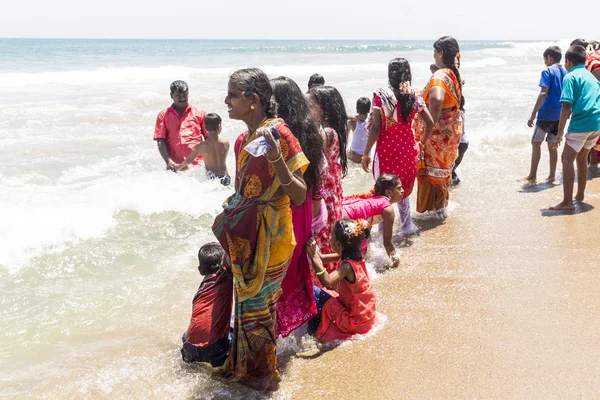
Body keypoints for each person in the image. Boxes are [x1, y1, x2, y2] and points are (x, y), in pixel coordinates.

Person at [212, 67, 309, 392]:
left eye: (233, 95)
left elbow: (299, 193)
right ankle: (245, 372)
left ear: (253, 100)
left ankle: (264, 380)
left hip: (272, 237)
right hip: (245, 239)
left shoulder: (279, 134)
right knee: (247, 306)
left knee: (259, 310)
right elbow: (243, 190)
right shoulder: (243, 139)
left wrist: (277, 160)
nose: (226, 100)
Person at [271, 76, 323, 338]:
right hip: (303, 208)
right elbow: (316, 177)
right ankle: (297, 322)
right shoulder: (310, 132)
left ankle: (281, 330)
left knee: (280, 268)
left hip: (286, 206)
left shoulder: (278, 135)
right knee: (296, 264)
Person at [362, 58, 434, 234]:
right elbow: (430, 123)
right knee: (403, 191)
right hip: (408, 150)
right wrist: (420, 144)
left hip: (387, 151)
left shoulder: (382, 96)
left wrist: (366, 154)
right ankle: (406, 228)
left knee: (383, 194)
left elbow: (377, 128)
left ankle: (381, 234)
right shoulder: (414, 95)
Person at [414, 36, 465, 216]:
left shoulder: (440, 75)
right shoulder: (452, 73)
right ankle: (440, 209)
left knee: (430, 174)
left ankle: (428, 214)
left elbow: (436, 100)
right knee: (442, 173)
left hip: (436, 137)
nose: (433, 55)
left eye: (435, 52)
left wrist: (430, 126)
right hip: (449, 134)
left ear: (441, 53)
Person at [305, 219, 377, 342]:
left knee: (312, 291)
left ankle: (314, 333)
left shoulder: (347, 266)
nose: (329, 236)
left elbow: (327, 281)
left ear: (338, 245)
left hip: (355, 321)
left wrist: (313, 256)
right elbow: (321, 258)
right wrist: (315, 252)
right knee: (326, 294)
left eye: (332, 234)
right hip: (366, 316)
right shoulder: (352, 255)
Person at [549, 45, 600, 211]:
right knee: (582, 157)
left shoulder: (570, 77)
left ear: (568, 62)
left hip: (582, 122)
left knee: (567, 158)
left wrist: (559, 133)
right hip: (597, 123)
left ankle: (567, 202)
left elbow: (566, 106)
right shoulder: (591, 77)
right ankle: (579, 195)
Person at [309, 85, 348, 274]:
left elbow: (313, 161)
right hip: (333, 188)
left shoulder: (324, 133)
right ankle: (333, 271)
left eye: (311, 103)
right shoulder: (334, 129)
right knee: (330, 230)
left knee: (322, 232)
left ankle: (325, 275)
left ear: (322, 108)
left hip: (325, 189)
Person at [181, 243, 233, 367]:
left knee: (186, 336)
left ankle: (188, 362)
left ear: (200, 271)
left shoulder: (201, 290)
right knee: (233, 333)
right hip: (214, 349)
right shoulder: (226, 277)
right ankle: (219, 364)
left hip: (190, 347)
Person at [522, 46, 567, 185]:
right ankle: (552, 176)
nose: (544, 62)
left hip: (545, 114)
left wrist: (533, 114)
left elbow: (543, 92)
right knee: (553, 146)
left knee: (536, 143)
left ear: (549, 58)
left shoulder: (547, 71)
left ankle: (532, 175)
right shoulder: (566, 71)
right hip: (559, 116)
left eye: (544, 59)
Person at [342, 174, 403, 266]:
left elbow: (367, 230)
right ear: (388, 192)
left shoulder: (373, 200)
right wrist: (396, 262)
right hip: (346, 216)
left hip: (341, 210)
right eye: (399, 188)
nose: (402, 191)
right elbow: (387, 243)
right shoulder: (388, 209)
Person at [154, 80, 207, 171]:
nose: (182, 98)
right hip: (175, 166)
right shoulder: (163, 115)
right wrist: (168, 161)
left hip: (198, 165)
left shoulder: (200, 113)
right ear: (171, 96)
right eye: (178, 96)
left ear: (188, 94)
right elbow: (160, 140)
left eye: (184, 95)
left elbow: (209, 139)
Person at [175, 113, 231, 185]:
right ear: (219, 127)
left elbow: (189, 160)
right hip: (225, 177)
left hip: (213, 178)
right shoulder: (226, 143)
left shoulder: (200, 146)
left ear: (205, 127)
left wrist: (178, 167)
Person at [347, 97, 371, 164]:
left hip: (355, 156)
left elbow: (345, 139)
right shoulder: (372, 123)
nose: (363, 116)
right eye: (361, 113)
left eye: (364, 114)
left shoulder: (352, 122)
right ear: (369, 110)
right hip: (363, 157)